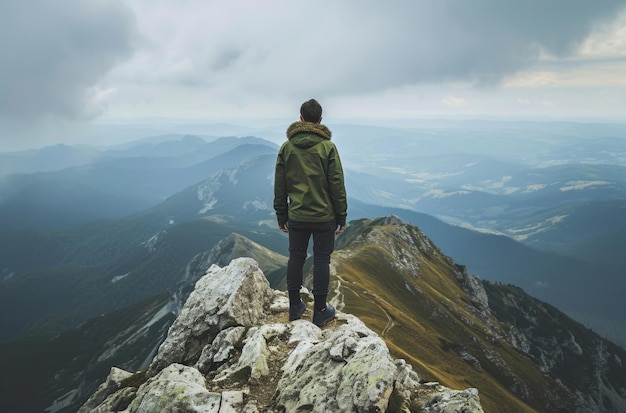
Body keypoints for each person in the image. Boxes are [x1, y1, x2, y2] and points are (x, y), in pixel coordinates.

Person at [273, 98, 347, 327]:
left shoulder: (287, 148)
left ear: (301, 118)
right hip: (324, 217)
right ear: (320, 120)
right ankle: (321, 310)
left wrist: (281, 215)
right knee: (322, 260)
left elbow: (280, 185)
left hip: (297, 216)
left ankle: (295, 306)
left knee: (296, 257)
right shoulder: (328, 148)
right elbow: (337, 184)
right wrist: (341, 216)